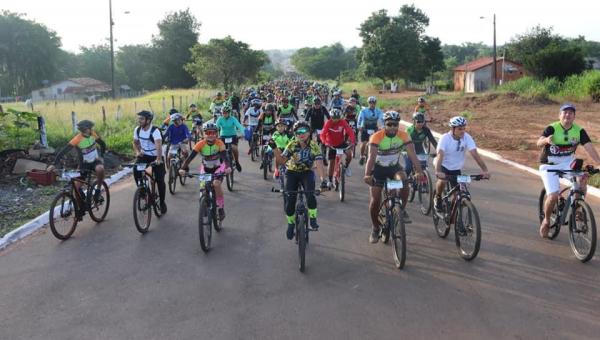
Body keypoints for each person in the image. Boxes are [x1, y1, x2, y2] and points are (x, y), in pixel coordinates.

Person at [537, 103, 600, 238]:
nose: (567, 115)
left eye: (571, 113)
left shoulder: (579, 131)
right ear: (559, 115)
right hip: (549, 164)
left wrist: (599, 162)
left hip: (567, 162)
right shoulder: (552, 128)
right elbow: (538, 142)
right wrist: (546, 140)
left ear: (574, 117)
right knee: (553, 195)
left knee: (582, 178)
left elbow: (589, 147)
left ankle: (578, 207)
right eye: (565, 112)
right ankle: (547, 220)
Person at [363, 111, 423, 243]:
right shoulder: (376, 137)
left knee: (404, 180)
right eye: (389, 124)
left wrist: (419, 171)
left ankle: (401, 209)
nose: (392, 127)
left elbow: (412, 155)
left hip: (393, 168)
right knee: (375, 200)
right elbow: (371, 158)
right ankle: (375, 227)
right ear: (384, 124)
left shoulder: (403, 136)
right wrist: (367, 174)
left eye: (395, 124)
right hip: (377, 170)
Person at [271, 121, 328, 240]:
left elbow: (319, 164)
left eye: (303, 131)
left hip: (307, 172)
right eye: (298, 132)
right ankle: (291, 224)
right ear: (295, 134)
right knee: (290, 201)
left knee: (310, 195)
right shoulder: (292, 145)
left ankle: (312, 218)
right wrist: (275, 148)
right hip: (292, 173)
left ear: (309, 132)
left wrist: (323, 180)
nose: (301, 134)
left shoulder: (314, 146)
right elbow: (282, 161)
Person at [433, 116, 491, 213]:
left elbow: (475, 154)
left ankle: (452, 213)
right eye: (460, 129)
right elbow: (440, 155)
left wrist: (485, 170)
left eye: (464, 128)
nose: (462, 131)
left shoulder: (466, 137)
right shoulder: (445, 138)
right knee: (442, 181)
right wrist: (438, 171)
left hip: (456, 169)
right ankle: (437, 197)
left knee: (459, 195)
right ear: (452, 128)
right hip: (443, 166)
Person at [179, 123, 232, 220]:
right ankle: (203, 204)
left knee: (216, 184)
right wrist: (182, 168)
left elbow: (225, 157)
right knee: (203, 187)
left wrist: (228, 167)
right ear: (204, 134)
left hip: (218, 168)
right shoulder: (200, 144)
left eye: (213, 133)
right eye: (208, 133)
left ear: (216, 134)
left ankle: (220, 208)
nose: (210, 135)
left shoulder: (220, 143)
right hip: (206, 168)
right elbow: (190, 158)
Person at [47, 119, 106, 205]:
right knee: (76, 188)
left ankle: (98, 189)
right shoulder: (77, 139)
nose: (90, 130)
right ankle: (81, 209)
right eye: (87, 129)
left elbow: (102, 144)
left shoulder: (93, 134)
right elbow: (64, 151)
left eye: (90, 129)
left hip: (95, 161)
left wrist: (102, 156)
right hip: (84, 165)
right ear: (84, 130)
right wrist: (54, 164)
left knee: (100, 169)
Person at [133, 110, 168, 214]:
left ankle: (161, 203)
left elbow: (158, 145)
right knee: (136, 170)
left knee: (160, 180)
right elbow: (135, 142)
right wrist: (138, 152)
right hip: (144, 156)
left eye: (141, 119)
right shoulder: (137, 129)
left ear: (148, 120)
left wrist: (158, 159)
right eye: (139, 118)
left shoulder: (155, 131)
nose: (139, 120)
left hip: (156, 156)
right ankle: (142, 192)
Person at [320, 108, 356, 181]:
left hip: (341, 143)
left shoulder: (343, 122)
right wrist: (325, 142)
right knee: (331, 163)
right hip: (331, 144)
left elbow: (350, 131)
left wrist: (353, 141)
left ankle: (346, 167)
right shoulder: (328, 123)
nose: (336, 120)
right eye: (334, 118)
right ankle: (330, 180)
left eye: (337, 118)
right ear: (331, 117)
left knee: (349, 154)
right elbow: (322, 134)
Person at [405, 112, 437, 176]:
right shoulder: (409, 130)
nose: (420, 123)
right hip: (408, 149)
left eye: (422, 121)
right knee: (408, 168)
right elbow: (406, 143)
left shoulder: (426, 130)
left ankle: (424, 183)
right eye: (418, 122)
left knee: (423, 166)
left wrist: (438, 150)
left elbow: (433, 141)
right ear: (414, 122)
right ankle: (405, 182)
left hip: (419, 148)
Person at [216, 104, 244, 172]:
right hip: (223, 136)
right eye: (223, 113)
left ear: (229, 113)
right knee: (220, 150)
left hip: (232, 136)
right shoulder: (220, 119)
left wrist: (243, 134)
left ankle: (237, 162)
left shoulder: (233, 119)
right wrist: (216, 136)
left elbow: (239, 126)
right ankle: (221, 165)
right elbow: (216, 128)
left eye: (226, 113)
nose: (224, 114)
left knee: (234, 148)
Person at [357, 96, 384, 166]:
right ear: (368, 103)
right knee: (364, 143)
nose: (372, 104)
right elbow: (360, 119)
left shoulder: (379, 111)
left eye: (373, 103)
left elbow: (381, 119)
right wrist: (359, 126)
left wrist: (382, 127)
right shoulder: (363, 111)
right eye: (370, 103)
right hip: (365, 128)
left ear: (375, 103)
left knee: (377, 144)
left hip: (375, 128)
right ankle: (362, 155)